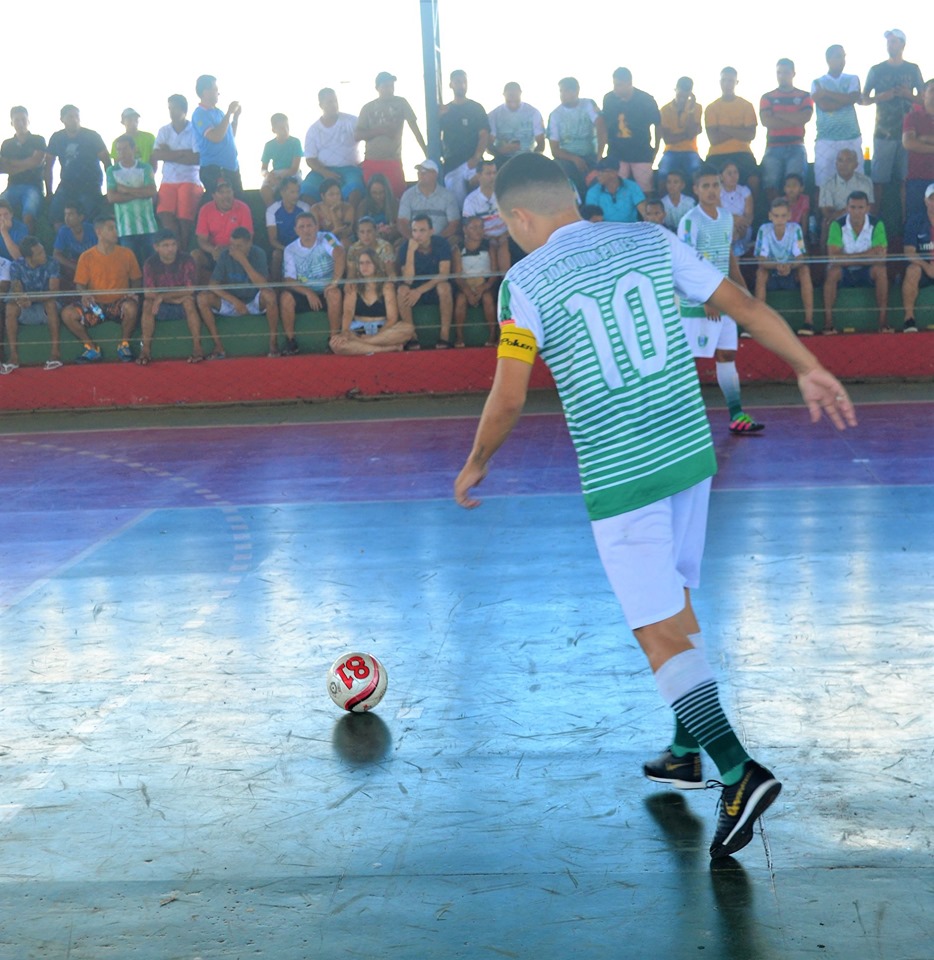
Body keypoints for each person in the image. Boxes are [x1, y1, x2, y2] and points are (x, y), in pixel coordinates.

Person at [454, 151, 856, 861]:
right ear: (573, 198)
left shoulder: (524, 281)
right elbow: (747, 308)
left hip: (625, 475)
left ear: (519, 215)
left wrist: (477, 461)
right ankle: (683, 748)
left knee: (656, 632)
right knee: (675, 600)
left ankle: (738, 771)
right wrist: (809, 366)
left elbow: (510, 393)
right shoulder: (650, 237)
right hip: (689, 455)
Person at [679, 165, 764, 434]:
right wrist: (706, 298)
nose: (712, 191)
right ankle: (680, 420)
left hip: (724, 299)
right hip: (698, 304)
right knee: (688, 360)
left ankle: (736, 414)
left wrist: (742, 289)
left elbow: (728, 255)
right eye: (705, 186)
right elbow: (685, 263)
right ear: (695, 190)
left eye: (715, 185)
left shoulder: (727, 217)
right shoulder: (690, 221)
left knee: (726, 355)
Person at [60, 214, 141, 363]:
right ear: (99, 232)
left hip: (119, 303)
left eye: (116, 228)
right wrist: (84, 295)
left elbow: (137, 280)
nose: (116, 232)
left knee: (131, 307)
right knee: (67, 314)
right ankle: (91, 348)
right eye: (111, 229)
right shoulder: (86, 257)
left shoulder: (127, 254)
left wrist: (133, 293)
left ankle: (124, 345)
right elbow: (80, 284)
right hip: (95, 306)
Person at [862, 30, 924, 217]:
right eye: (888, 42)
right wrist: (879, 98)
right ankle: (873, 222)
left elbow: (924, 100)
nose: (890, 45)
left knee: (906, 181)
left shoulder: (913, 69)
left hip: (909, 134)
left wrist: (908, 96)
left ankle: (906, 224)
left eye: (894, 42)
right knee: (878, 182)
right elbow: (862, 99)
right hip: (883, 134)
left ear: (903, 44)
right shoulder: (876, 70)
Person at [196, 227, 279, 358]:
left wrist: (243, 261)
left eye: (239, 246)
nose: (234, 249)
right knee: (202, 298)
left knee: (270, 295)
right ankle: (218, 346)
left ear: (249, 243)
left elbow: (263, 285)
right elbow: (213, 285)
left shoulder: (259, 253)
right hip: (231, 302)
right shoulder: (225, 254)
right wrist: (234, 301)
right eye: (232, 245)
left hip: (253, 301)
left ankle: (273, 344)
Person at [823, 191, 889, 333]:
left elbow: (881, 258)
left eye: (860, 207)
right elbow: (833, 259)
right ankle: (828, 323)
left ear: (867, 208)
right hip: (844, 272)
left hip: (867, 271)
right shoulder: (837, 224)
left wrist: (846, 257)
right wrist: (867, 255)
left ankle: (883, 322)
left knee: (881, 270)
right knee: (832, 271)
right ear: (847, 208)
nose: (856, 212)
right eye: (853, 207)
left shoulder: (877, 224)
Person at [355, 72, 428, 199]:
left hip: (393, 160)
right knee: (373, 198)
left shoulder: (401, 103)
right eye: (385, 86)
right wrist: (380, 131)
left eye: (391, 86)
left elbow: (415, 129)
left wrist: (427, 152)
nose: (389, 89)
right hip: (372, 161)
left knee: (397, 196)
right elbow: (357, 135)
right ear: (377, 88)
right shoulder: (367, 108)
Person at [279, 210, 345, 347]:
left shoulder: (327, 237)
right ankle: (290, 342)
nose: (306, 230)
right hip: (305, 293)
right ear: (296, 230)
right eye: (301, 227)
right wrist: (308, 293)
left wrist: (334, 282)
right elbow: (289, 280)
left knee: (335, 293)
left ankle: (333, 341)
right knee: (285, 297)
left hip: (327, 289)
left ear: (316, 227)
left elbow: (340, 253)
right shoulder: (290, 249)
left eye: (309, 226)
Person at [330, 248, 411, 355]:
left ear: (376, 264)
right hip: (358, 329)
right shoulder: (353, 286)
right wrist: (345, 332)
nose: (364, 266)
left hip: (382, 330)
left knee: (408, 328)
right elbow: (348, 313)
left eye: (368, 262)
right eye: (361, 263)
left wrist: (373, 337)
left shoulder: (387, 286)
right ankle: (386, 349)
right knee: (335, 344)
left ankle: (364, 345)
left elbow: (392, 318)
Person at [138, 229, 200, 365]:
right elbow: (148, 293)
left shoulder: (187, 260)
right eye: (165, 245)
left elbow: (190, 290)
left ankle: (197, 348)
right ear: (156, 247)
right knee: (147, 304)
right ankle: (146, 350)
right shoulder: (150, 263)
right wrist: (168, 298)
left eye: (173, 244)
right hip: (161, 307)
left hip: (181, 306)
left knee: (189, 302)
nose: (171, 249)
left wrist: (162, 296)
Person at [754, 198, 815, 334]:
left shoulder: (795, 229)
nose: (779, 219)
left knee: (804, 270)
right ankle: (758, 323)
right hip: (771, 273)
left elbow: (800, 258)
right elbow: (761, 260)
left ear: (789, 216)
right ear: (770, 216)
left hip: (791, 273)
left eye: (783, 215)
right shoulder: (764, 230)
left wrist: (789, 266)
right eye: (776, 216)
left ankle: (809, 322)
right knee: (760, 273)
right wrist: (777, 265)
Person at [2, 236, 62, 373]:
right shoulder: (16, 266)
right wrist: (22, 299)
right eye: (39, 253)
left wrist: (31, 298)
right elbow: (18, 291)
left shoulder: (52, 263)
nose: (44, 254)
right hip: (27, 308)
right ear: (29, 257)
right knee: (10, 307)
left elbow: (53, 292)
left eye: (43, 250)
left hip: (46, 308)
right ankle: (13, 357)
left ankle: (55, 353)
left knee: (51, 304)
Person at [152, 94, 203, 254]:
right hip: (168, 180)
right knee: (165, 214)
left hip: (190, 179)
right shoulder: (164, 130)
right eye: (169, 108)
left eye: (175, 108)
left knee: (184, 219)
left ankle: (183, 252)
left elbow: (197, 158)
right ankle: (175, 250)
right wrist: (182, 154)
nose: (171, 111)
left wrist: (170, 154)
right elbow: (157, 155)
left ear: (184, 109)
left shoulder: (194, 130)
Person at [45, 105, 110, 227]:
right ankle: (63, 242)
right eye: (70, 117)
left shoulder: (92, 136)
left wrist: (110, 189)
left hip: (90, 184)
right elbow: (48, 166)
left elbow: (107, 162)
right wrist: (49, 192)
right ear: (62, 119)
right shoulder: (57, 138)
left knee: (89, 216)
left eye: (76, 116)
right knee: (55, 213)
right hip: (67, 184)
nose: (74, 119)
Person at [759, 59, 813, 201]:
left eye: (786, 72)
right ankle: (775, 218)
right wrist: (793, 117)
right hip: (773, 148)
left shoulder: (804, 96)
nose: (782, 76)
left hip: (796, 146)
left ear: (793, 73)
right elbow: (766, 121)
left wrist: (777, 114)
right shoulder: (767, 97)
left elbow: (805, 118)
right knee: (770, 186)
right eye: (779, 73)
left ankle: (795, 220)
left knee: (796, 186)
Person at [396, 213, 453, 349]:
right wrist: (410, 252)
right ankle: (412, 337)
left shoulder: (441, 244)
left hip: (432, 288)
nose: (418, 235)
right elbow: (408, 280)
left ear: (431, 231)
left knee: (444, 287)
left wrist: (419, 291)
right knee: (402, 290)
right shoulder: (406, 247)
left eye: (422, 230)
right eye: (414, 231)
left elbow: (444, 274)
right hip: (413, 290)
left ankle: (444, 337)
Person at [811, 45, 863, 191]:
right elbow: (825, 106)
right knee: (823, 183)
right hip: (826, 138)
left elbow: (853, 98)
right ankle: (822, 214)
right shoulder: (817, 82)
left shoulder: (853, 78)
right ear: (828, 59)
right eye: (838, 56)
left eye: (844, 56)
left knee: (857, 182)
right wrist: (845, 99)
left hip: (851, 136)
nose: (842, 60)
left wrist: (827, 93)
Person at [601, 67, 660, 195]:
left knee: (646, 191)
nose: (615, 88)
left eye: (619, 85)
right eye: (614, 84)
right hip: (617, 153)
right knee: (616, 189)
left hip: (641, 152)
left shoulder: (646, 99)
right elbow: (604, 125)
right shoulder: (608, 99)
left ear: (629, 83)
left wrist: (656, 149)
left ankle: (647, 215)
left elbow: (658, 124)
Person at [302, 88, 364, 206]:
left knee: (355, 189)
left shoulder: (351, 121)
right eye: (329, 102)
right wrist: (325, 172)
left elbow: (367, 136)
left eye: (335, 101)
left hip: (349, 169)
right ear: (321, 105)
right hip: (322, 170)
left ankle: (349, 222)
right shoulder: (313, 130)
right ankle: (320, 222)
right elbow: (310, 159)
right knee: (306, 191)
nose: (334, 105)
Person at [439, 70, 490, 210]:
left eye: (464, 82)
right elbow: (436, 135)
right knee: (456, 203)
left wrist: (476, 158)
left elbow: (484, 135)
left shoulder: (476, 108)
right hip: (452, 164)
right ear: (451, 84)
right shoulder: (445, 111)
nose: (461, 85)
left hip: (472, 162)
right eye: (458, 82)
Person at [547, 77, 606, 200]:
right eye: (561, 91)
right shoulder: (555, 115)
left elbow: (601, 126)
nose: (563, 95)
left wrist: (599, 156)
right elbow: (555, 149)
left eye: (566, 91)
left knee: (600, 179)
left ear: (576, 91)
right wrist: (574, 159)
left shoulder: (588, 104)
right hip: (567, 159)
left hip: (590, 156)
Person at [705, 68, 759, 198]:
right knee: (706, 181)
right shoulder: (711, 108)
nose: (727, 84)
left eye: (730, 80)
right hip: (716, 154)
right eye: (724, 80)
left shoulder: (746, 105)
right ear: (719, 82)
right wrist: (739, 130)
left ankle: (754, 214)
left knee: (755, 180)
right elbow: (713, 139)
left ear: (736, 82)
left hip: (742, 152)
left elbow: (750, 135)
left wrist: (723, 128)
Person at [106, 135, 158, 267]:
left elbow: (151, 192)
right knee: (130, 267)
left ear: (134, 149)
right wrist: (140, 192)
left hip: (148, 227)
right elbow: (112, 197)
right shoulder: (112, 170)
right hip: (125, 228)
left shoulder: (145, 168)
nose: (121, 153)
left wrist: (125, 189)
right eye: (119, 150)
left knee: (152, 265)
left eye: (125, 149)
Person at [193, 178, 253, 283]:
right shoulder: (205, 209)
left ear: (233, 192)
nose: (226, 196)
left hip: (237, 251)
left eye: (228, 191)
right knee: (195, 255)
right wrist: (213, 250)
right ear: (213, 195)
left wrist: (230, 251)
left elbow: (248, 237)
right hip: (214, 252)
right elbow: (201, 239)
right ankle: (194, 292)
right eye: (221, 192)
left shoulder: (243, 208)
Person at [191, 75, 242, 199]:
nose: (218, 93)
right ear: (205, 92)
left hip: (231, 166)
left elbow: (229, 136)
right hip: (215, 169)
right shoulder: (200, 114)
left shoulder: (219, 112)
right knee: (222, 205)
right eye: (215, 89)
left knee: (239, 203)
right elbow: (215, 137)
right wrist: (229, 113)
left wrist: (235, 118)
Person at [452, 215, 498, 347]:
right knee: (461, 300)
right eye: (474, 228)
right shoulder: (458, 248)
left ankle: (492, 334)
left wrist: (485, 286)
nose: (478, 231)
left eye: (481, 227)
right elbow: (458, 275)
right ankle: (459, 336)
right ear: (465, 229)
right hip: (466, 285)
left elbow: (495, 272)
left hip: (485, 284)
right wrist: (467, 291)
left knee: (488, 298)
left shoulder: (489, 246)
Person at [818, 148, 875, 252]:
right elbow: (826, 212)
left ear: (856, 164)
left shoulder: (865, 182)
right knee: (826, 222)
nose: (843, 164)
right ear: (836, 164)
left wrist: (850, 212)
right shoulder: (827, 184)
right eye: (840, 160)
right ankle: (826, 259)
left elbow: (870, 207)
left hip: (861, 217)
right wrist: (849, 212)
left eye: (848, 160)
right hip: (837, 219)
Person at [0, 107, 47, 231]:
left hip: (33, 186)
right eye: (17, 120)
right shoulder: (7, 144)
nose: (20, 123)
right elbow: (2, 167)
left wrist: (11, 163)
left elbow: (37, 161)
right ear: (11, 123)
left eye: (23, 119)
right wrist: (28, 164)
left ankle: (29, 245)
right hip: (12, 186)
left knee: (28, 215)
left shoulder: (38, 140)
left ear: (28, 121)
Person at [462, 159, 510, 273]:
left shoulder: (504, 195)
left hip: (506, 236)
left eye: (494, 173)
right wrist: (488, 238)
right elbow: (469, 227)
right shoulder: (470, 200)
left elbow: (514, 219)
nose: (493, 177)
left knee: (504, 247)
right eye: (488, 173)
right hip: (483, 238)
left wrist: (505, 235)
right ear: (479, 175)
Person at [657, 78, 704, 187]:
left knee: (696, 170)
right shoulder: (665, 110)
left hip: (690, 150)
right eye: (680, 92)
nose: (683, 96)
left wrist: (691, 110)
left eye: (686, 93)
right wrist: (686, 135)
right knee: (663, 172)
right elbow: (668, 139)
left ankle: (699, 200)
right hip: (671, 150)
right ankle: (662, 202)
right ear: (675, 90)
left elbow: (692, 133)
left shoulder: (697, 107)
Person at [397, 160, 460, 241]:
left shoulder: (448, 196)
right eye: (419, 171)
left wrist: (436, 240)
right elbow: (402, 223)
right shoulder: (408, 195)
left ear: (435, 174)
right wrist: (413, 239)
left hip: (441, 241)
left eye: (424, 171)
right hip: (414, 241)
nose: (420, 174)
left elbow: (454, 224)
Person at [901, 183, 934, 332]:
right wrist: (927, 266)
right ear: (925, 201)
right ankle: (909, 319)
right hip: (923, 269)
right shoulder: (915, 220)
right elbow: (909, 251)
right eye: (932, 198)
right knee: (912, 270)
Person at [488, 82, 545, 166]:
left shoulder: (533, 113)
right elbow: (488, 145)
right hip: (503, 159)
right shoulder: (494, 115)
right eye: (510, 97)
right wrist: (500, 151)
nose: (512, 99)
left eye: (515, 95)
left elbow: (541, 143)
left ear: (520, 93)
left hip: (527, 158)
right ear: (503, 94)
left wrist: (534, 158)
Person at [265, 177, 311, 280]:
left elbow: (309, 233)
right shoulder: (272, 210)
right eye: (292, 192)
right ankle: (276, 287)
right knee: (276, 255)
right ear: (282, 192)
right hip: (282, 247)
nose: (296, 195)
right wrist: (287, 250)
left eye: (297, 192)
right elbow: (272, 240)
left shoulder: (305, 208)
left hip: (303, 245)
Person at [902, 79, 934, 219]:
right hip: (918, 178)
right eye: (932, 90)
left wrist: (924, 139)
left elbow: (915, 142)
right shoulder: (912, 117)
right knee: (915, 219)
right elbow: (908, 143)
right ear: (923, 95)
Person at [259, 113, 303, 207]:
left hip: (292, 173)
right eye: (282, 128)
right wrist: (268, 175)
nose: (285, 130)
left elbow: (294, 168)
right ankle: (275, 212)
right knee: (265, 190)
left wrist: (280, 178)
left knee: (295, 189)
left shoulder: (295, 142)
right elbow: (263, 169)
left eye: (287, 126)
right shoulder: (269, 145)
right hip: (275, 173)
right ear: (274, 130)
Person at [584, 158, 646, 223]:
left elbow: (644, 211)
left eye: (602, 171)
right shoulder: (593, 192)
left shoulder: (632, 186)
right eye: (598, 171)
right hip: (605, 230)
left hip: (630, 228)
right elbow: (592, 218)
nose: (598, 175)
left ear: (614, 173)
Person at [52, 202, 96, 287]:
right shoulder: (63, 231)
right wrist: (75, 267)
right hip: (73, 266)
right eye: (65, 214)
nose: (66, 218)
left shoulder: (92, 230)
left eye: (71, 214)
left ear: (81, 217)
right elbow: (56, 254)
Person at [718, 161, 753, 256]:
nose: (733, 176)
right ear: (721, 177)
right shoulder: (716, 193)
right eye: (729, 173)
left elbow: (748, 216)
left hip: (742, 227)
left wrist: (740, 225)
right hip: (722, 227)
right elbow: (718, 215)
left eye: (735, 172)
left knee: (743, 232)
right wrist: (733, 220)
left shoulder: (745, 191)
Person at [355, 173, 399, 245]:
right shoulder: (363, 205)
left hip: (390, 240)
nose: (378, 196)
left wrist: (390, 231)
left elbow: (399, 226)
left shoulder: (395, 204)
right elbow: (357, 226)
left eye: (381, 192)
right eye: (374, 193)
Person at [310, 178, 355, 247]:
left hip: (344, 239)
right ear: (323, 196)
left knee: (344, 242)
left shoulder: (347, 208)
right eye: (331, 194)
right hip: (323, 241)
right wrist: (333, 233)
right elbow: (315, 234)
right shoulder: (316, 209)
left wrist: (333, 212)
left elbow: (344, 234)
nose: (336, 197)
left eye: (338, 194)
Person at [110, 109, 156, 173]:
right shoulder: (117, 142)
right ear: (123, 122)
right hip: (125, 178)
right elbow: (117, 165)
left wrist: (150, 177)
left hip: (146, 177)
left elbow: (154, 161)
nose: (133, 122)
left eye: (135, 119)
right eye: (129, 120)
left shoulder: (149, 138)